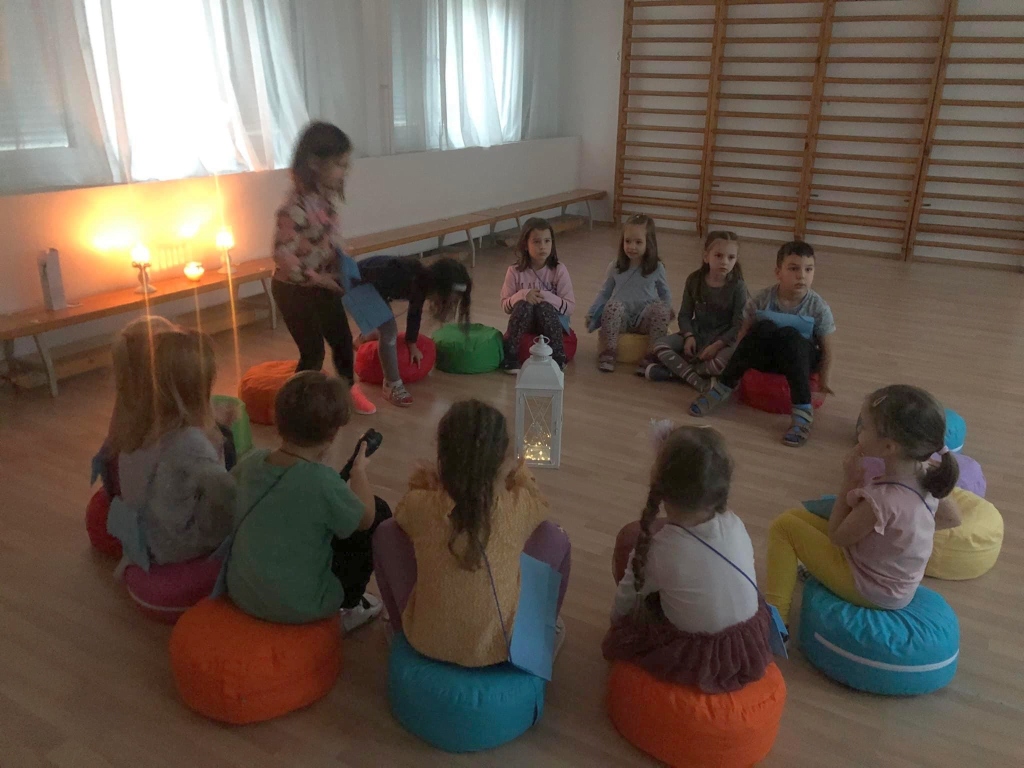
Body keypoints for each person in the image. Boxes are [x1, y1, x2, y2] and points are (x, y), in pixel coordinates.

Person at [374, 399, 571, 667]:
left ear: (442, 457)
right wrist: (520, 472)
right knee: (556, 537)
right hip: (502, 647)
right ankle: (543, 634)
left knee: (386, 532)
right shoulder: (518, 506)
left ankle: (397, 628)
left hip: (425, 639)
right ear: (503, 461)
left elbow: (402, 512)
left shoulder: (421, 505)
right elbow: (541, 503)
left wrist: (430, 483)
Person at [765, 385, 962, 624]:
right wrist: (901, 535)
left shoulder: (882, 500)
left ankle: (776, 622)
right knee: (796, 517)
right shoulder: (927, 475)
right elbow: (953, 518)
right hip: (893, 581)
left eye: (865, 427)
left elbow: (837, 537)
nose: (859, 431)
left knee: (783, 527)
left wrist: (849, 481)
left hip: (871, 588)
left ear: (889, 447)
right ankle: (814, 571)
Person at [603, 425, 773, 693]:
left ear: (660, 484)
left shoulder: (659, 550)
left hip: (700, 657)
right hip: (748, 643)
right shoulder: (735, 524)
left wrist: (618, 627)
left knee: (631, 546)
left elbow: (624, 600)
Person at [226, 371, 388, 632]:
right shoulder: (322, 481)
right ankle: (350, 606)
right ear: (332, 434)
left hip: (241, 591)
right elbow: (365, 518)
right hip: (302, 604)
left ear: (276, 419)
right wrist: (359, 471)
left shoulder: (251, 461)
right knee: (378, 509)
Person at [271, 121, 376, 416]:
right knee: (313, 352)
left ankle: (347, 390)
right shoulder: (293, 208)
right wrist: (318, 279)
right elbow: (283, 256)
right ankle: (296, 408)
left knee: (342, 340)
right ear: (315, 163)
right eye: (340, 165)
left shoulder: (324, 201)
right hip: (293, 290)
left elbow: (327, 241)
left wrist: (343, 263)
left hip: (323, 284)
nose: (345, 171)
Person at [689, 240, 836, 447]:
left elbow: (828, 349)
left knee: (791, 335)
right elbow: (744, 336)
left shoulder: (818, 307)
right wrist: (734, 368)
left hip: (799, 361)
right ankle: (722, 388)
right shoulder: (762, 299)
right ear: (778, 272)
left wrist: (824, 381)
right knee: (762, 327)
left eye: (808, 269)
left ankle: (803, 412)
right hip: (768, 359)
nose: (802, 275)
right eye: (793, 269)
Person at [113, 329, 235, 567]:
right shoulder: (190, 442)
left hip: (142, 534)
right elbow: (228, 493)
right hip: (174, 546)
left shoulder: (135, 424)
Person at [92, 316, 239, 498]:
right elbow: (224, 493)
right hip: (177, 512)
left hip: (133, 509)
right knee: (226, 437)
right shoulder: (190, 442)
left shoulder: (128, 423)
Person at [351, 255, 471, 407]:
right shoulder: (407, 276)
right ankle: (392, 385)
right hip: (358, 284)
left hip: (372, 285)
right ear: (440, 287)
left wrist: (411, 343)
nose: (450, 303)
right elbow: (369, 279)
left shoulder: (421, 283)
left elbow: (415, 313)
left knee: (385, 327)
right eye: (449, 299)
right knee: (389, 332)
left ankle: (361, 340)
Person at [641, 231, 748, 392]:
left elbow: (738, 326)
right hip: (697, 333)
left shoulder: (738, 287)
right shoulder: (694, 280)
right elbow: (685, 315)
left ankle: (673, 373)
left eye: (731, 257)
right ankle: (701, 383)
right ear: (706, 256)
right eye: (718, 255)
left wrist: (716, 346)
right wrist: (689, 336)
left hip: (724, 340)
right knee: (659, 346)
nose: (724, 262)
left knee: (727, 361)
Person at [586, 214, 673, 373]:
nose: (632, 246)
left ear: (649, 243)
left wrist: (667, 311)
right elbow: (605, 293)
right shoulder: (615, 266)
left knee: (661, 309)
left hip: (644, 319)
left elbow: (665, 294)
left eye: (638, 242)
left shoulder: (657, 267)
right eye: (628, 241)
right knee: (612, 306)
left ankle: (652, 355)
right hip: (622, 319)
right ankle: (609, 351)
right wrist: (592, 313)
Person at [500, 218, 576, 372]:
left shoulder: (559, 270)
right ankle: (511, 358)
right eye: (536, 242)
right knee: (524, 306)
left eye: (547, 241)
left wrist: (545, 296)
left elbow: (570, 307)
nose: (542, 246)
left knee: (543, 307)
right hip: (525, 322)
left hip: (551, 322)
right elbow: (505, 305)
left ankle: (558, 358)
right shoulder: (514, 271)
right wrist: (522, 295)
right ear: (525, 245)